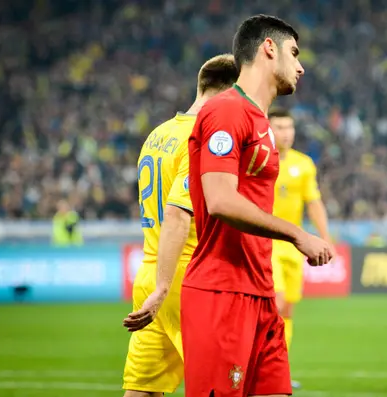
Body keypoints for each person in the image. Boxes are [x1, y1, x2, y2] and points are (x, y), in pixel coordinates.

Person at [182, 14, 334, 397]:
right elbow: (219, 200)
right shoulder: (227, 111)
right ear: (269, 48)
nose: (301, 66)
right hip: (222, 291)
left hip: (260, 290)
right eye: (294, 53)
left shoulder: (260, 122)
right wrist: (297, 234)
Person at [120, 54, 239, 397]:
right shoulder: (202, 138)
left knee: (143, 389)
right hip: (185, 279)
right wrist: (165, 286)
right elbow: (177, 214)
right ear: (230, 92)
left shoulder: (159, 133)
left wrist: (157, 286)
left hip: (151, 272)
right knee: (223, 386)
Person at [268, 107, 333, 390]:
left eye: (289, 127)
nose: (286, 133)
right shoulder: (259, 160)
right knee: (276, 304)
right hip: (265, 243)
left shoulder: (304, 164)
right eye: (279, 127)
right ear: (268, 130)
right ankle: (264, 366)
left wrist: (325, 237)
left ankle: (279, 368)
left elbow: (314, 203)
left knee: (288, 311)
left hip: (293, 247)